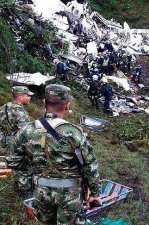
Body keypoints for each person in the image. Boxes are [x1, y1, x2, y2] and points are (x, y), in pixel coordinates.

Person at [7, 84, 101, 224]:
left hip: (41, 191)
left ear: (44, 103)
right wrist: (95, 194)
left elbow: (12, 160)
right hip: (70, 194)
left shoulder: (26, 130)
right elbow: (90, 166)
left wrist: (35, 168)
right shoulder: (73, 132)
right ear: (67, 105)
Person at [2, 86, 34, 195]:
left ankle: (17, 188)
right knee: (24, 168)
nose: (30, 97)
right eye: (27, 95)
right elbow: (25, 132)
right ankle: (24, 193)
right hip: (18, 143)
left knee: (15, 166)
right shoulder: (19, 111)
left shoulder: (5, 107)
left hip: (7, 141)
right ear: (20, 97)